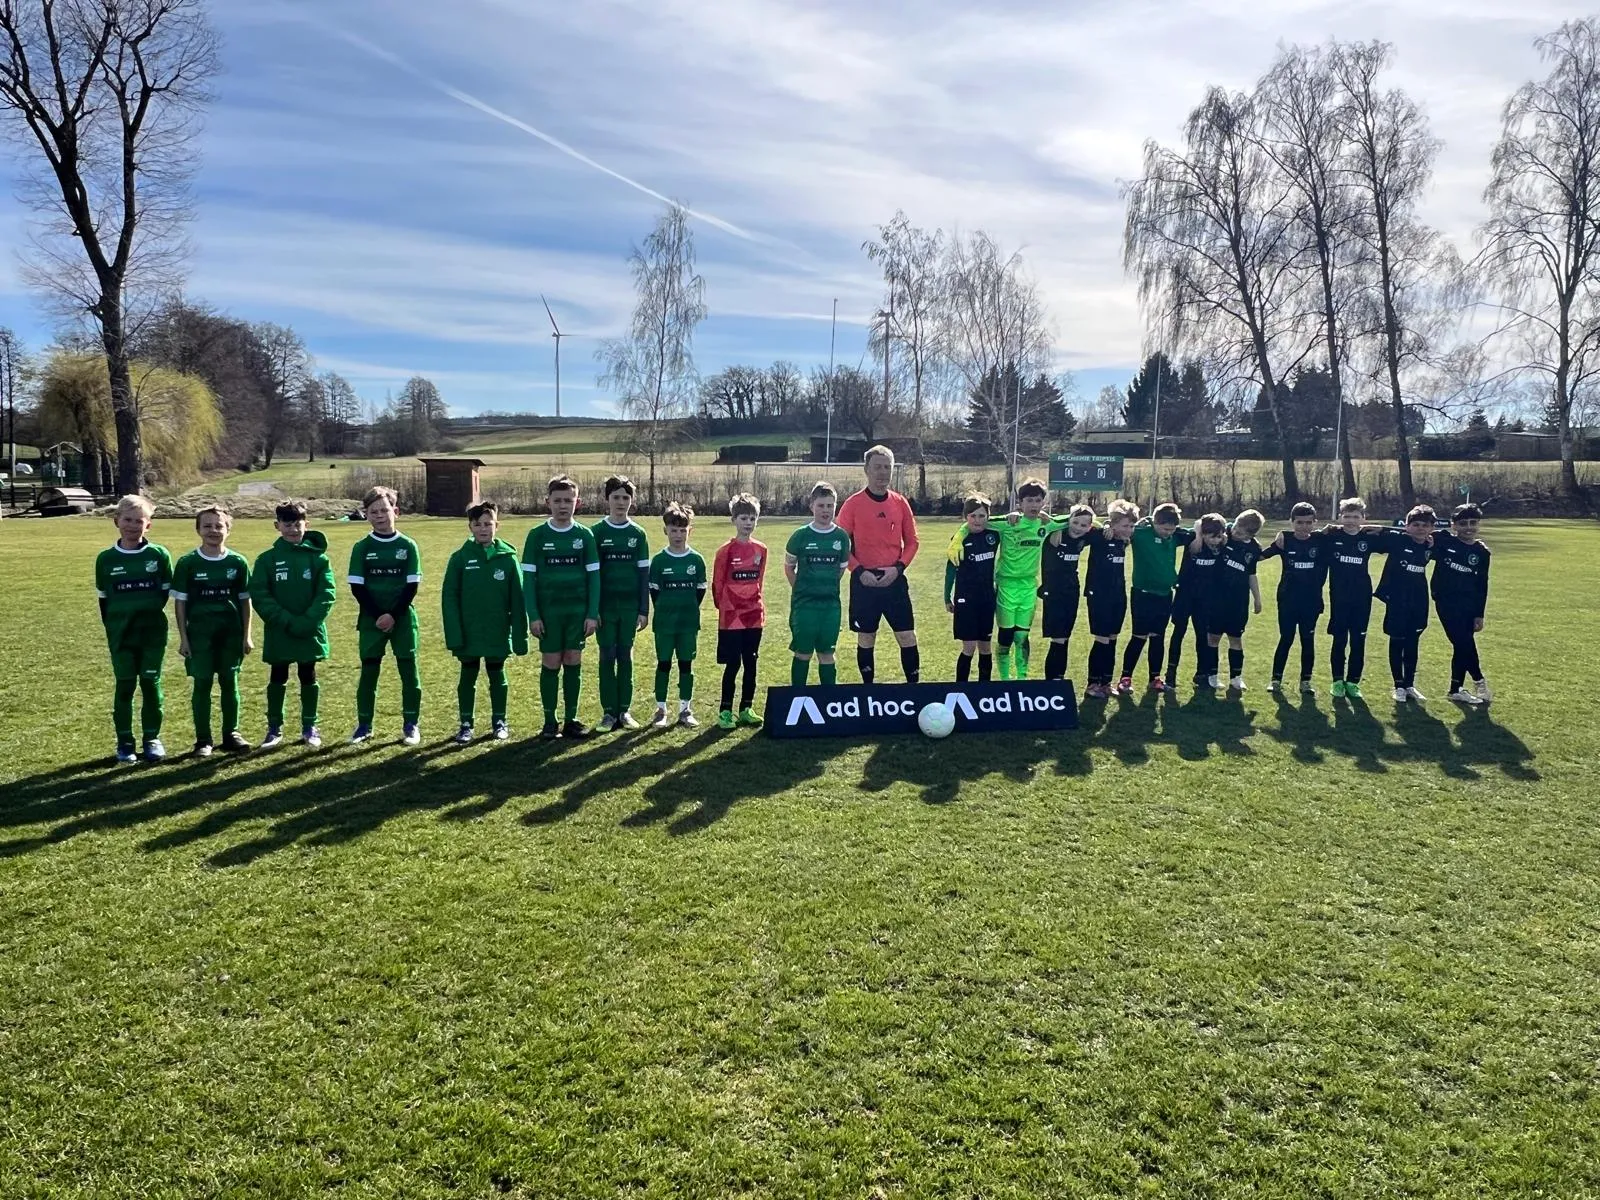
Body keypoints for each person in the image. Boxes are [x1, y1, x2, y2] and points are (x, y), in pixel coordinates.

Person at [250, 500, 336, 749]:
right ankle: (274, 728)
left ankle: (310, 726)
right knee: (278, 675)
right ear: (277, 526)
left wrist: (308, 621)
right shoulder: (267, 560)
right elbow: (260, 595)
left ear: (306, 524)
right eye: (287, 524)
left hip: (309, 630)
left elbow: (327, 593)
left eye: (298, 524)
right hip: (280, 631)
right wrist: (286, 620)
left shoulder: (319, 559)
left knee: (308, 675)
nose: (293, 529)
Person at [441, 501, 528, 744]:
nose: (483, 529)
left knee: (496, 674)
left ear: (497, 525)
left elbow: (518, 600)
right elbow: (449, 598)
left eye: (488, 524)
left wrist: (520, 636)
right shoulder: (459, 559)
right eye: (477, 524)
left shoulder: (508, 559)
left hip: (497, 630)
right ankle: (466, 724)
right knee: (468, 675)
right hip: (469, 632)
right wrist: (454, 633)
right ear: (470, 527)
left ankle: (500, 721)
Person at [522, 474, 601, 739]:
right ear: (548, 502)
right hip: (549, 613)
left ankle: (571, 719)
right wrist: (533, 615)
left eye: (568, 500)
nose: (563, 505)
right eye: (557, 500)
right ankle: (549, 721)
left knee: (573, 659)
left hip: (577, 613)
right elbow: (528, 580)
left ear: (578, 502)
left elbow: (594, 578)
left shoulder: (585, 536)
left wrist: (592, 614)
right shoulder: (537, 535)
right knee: (551, 661)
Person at [95, 494, 173, 763]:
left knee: (151, 683)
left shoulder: (158, 555)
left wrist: (146, 613)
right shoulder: (106, 559)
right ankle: (125, 742)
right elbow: (104, 600)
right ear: (116, 521)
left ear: (148, 525)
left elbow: (164, 593)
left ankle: (152, 738)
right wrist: (115, 626)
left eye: (139, 521)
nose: (132, 526)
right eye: (127, 520)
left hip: (152, 633)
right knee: (125, 685)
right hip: (120, 634)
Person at [172, 505, 253, 757]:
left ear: (228, 530)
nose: (213, 530)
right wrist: (184, 638)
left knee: (230, 682)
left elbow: (245, 601)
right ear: (198, 529)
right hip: (200, 634)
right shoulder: (187, 563)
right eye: (207, 526)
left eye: (219, 526)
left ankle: (232, 733)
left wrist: (247, 635)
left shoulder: (237, 562)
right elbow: (180, 603)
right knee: (203, 684)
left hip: (230, 633)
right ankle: (203, 740)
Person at [836, 445, 920, 684]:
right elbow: (840, 544)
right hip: (864, 582)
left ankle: (914, 690)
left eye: (887, 467)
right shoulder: (852, 504)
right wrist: (858, 570)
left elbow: (912, 542)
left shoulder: (900, 503)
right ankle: (868, 691)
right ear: (866, 469)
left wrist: (899, 568)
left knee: (907, 636)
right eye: (877, 467)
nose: (882, 472)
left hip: (894, 579)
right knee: (866, 637)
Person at [347, 486, 423, 745]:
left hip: (402, 618)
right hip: (371, 619)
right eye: (373, 512)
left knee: (409, 672)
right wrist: (379, 615)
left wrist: (393, 615)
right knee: (369, 672)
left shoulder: (408, 545)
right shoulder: (362, 547)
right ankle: (364, 725)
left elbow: (411, 586)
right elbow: (357, 587)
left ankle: (411, 724)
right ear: (366, 515)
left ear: (396, 511)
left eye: (384, 510)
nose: (380, 515)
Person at [591, 475, 651, 731]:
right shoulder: (596, 532)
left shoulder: (638, 534)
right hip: (605, 608)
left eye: (625, 497)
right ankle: (608, 712)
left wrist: (643, 609)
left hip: (629, 608)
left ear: (631, 501)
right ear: (607, 499)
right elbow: (591, 575)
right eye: (616, 497)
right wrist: (593, 610)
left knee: (625, 656)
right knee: (607, 656)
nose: (620, 502)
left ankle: (624, 711)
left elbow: (644, 575)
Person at [785, 482, 851, 687]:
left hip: (830, 606)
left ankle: (829, 699)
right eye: (821, 505)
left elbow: (840, 570)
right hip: (805, 605)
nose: (826, 510)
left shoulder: (841, 537)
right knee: (803, 652)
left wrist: (825, 587)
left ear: (836, 507)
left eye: (830, 506)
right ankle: (797, 696)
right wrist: (802, 589)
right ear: (812, 506)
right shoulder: (800, 535)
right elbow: (789, 567)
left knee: (827, 653)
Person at [648, 503, 708, 728]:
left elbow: (700, 590)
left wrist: (687, 607)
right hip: (664, 623)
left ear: (690, 531)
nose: (678, 535)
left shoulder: (696, 560)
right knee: (663, 664)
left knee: (686, 665)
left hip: (688, 623)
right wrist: (667, 607)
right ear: (665, 530)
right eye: (673, 530)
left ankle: (685, 709)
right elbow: (655, 592)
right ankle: (661, 710)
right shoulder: (659, 561)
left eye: (683, 530)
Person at [1262, 502, 1331, 694]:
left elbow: (1351, 527)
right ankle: (1276, 680)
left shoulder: (1320, 540)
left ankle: (1306, 681)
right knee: (1286, 638)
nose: (1304, 526)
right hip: (1288, 598)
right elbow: (1260, 556)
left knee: (1307, 639)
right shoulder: (1285, 539)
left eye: (1309, 522)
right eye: (1299, 522)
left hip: (1311, 600)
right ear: (1291, 522)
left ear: (1315, 522)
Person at [1322, 497, 1388, 700]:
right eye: (1347, 516)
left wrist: (1381, 528)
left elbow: (1403, 537)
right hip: (1339, 597)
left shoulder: (1368, 538)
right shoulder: (1331, 536)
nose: (1351, 521)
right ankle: (1337, 681)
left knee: (1359, 640)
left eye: (1355, 517)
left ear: (1363, 518)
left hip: (1362, 596)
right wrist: (1284, 535)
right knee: (1339, 640)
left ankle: (1353, 682)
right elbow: (1305, 535)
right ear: (1340, 517)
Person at [712, 492, 767, 729]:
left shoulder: (761, 549)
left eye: (752, 518)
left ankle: (746, 708)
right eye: (744, 518)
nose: (748, 523)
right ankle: (725, 711)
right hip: (732, 616)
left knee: (751, 661)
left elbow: (759, 581)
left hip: (754, 614)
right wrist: (726, 607)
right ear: (734, 520)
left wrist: (754, 604)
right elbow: (717, 584)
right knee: (733, 663)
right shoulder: (725, 551)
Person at [1120, 503, 1187, 694]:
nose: (1168, 533)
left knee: (1158, 637)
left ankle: (1155, 678)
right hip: (1143, 594)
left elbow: (1201, 528)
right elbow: (1119, 526)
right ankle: (1125, 678)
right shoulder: (1141, 534)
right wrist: (1110, 526)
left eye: (1171, 530)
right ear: (1155, 523)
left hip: (1165, 594)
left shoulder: (1176, 536)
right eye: (1165, 529)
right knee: (1139, 636)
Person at [1431, 503, 1492, 705]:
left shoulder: (1482, 552)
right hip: (1446, 602)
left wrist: (1479, 614)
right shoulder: (1443, 540)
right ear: (1454, 525)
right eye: (1463, 523)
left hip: (1469, 604)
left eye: (1473, 523)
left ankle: (1455, 689)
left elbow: (1482, 585)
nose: (1468, 527)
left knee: (1462, 645)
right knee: (1463, 642)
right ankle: (1478, 679)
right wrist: (1377, 529)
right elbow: (1414, 531)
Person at [1374, 504, 1436, 703]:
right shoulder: (1399, 540)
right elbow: (1379, 531)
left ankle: (1409, 684)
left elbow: (1451, 537)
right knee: (1397, 640)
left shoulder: (1431, 544)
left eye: (1425, 525)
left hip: (1419, 599)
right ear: (1407, 526)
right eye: (1415, 525)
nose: (1420, 529)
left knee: (1413, 642)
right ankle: (1398, 685)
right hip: (1398, 599)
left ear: (1431, 528)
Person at [991, 478, 1051, 680]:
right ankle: (1005, 679)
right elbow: (975, 521)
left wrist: (1105, 524)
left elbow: (1077, 518)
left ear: (1043, 502)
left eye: (1038, 500)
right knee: (1006, 635)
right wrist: (957, 540)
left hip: (1028, 588)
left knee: (1022, 636)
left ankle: (1022, 679)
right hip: (1006, 587)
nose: (1034, 505)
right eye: (1029, 500)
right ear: (1020, 503)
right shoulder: (1008, 523)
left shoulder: (1046, 523)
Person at [1203, 509, 1265, 691]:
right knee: (1213, 637)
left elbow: (1251, 574)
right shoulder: (1224, 533)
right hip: (1217, 598)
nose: (1236, 532)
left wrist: (1257, 599)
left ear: (1251, 535)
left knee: (1236, 639)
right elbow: (1201, 526)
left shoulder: (1254, 549)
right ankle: (1212, 675)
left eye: (1241, 532)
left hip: (1238, 601)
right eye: (1236, 527)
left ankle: (1236, 677)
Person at [1166, 514, 1227, 692]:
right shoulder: (1192, 539)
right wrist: (1198, 534)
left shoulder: (1222, 543)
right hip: (1185, 596)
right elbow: (1178, 528)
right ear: (1203, 533)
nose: (1215, 541)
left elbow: (1235, 526)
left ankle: (1202, 673)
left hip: (1205, 599)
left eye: (1218, 537)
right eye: (1211, 537)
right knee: (1179, 633)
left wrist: (1221, 535)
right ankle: (1171, 674)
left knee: (1203, 635)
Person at [945, 493, 1001, 682]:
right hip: (965, 599)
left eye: (982, 516)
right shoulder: (959, 539)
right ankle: (961, 688)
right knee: (968, 647)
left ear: (988, 516)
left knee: (985, 646)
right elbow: (950, 570)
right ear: (965, 517)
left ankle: (984, 689)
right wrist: (947, 596)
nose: (977, 520)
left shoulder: (994, 535)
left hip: (987, 598)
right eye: (973, 516)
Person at [1039, 504, 1096, 682]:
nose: (1078, 528)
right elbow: (1042, 518)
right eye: (1075, 522)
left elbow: (1102, 527)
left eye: (1083, 525)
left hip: (1072, 591)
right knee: (1058, 638)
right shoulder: (1054, 534)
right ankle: (1052, 681)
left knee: (1065, 637)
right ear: (1068, 520)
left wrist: (1108, 526)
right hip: (1053, 591)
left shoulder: (1085, 537)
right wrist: (1057, 525)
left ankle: (1059, 678)